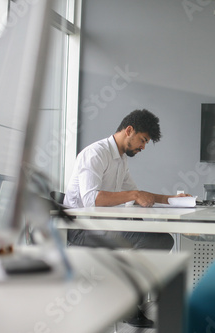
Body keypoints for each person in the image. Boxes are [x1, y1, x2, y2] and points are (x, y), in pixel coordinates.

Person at [64, 109, 189, 327]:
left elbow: (139, 195)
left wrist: (174, 199)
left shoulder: (120, 160)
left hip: (102, 225)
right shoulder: (96, 154)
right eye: (142, 140)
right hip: (82, 229)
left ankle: (128, 297)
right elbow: (91, 199)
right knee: (156, 241)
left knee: (162, 238)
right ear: (129, 131)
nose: (143, 147)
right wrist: (133, 195)